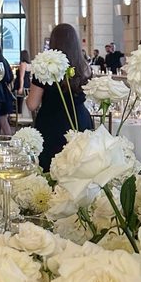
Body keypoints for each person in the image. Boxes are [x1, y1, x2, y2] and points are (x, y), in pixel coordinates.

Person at [26, 23, 93, 172]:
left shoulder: (44, 68)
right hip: (79, 119)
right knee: (79, 168)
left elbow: (32, 104)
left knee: (52, 170)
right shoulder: (84, 67)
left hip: (52, 123)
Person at [0, 39, 15, 136]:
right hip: (4, 94)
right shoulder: (4, 60)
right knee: (3, 121)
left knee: (2, 121)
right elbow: (9, 78)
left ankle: (9, 141)